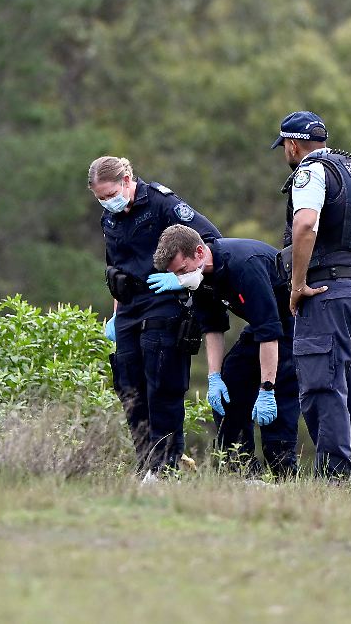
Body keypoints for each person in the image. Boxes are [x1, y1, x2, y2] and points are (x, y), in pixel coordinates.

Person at [271, 111, 351, 481]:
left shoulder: (310, 171)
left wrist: (298, 285)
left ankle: (334, 477)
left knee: (323, 386)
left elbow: (305, 224)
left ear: (291, 144)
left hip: (326, 293)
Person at [90, 156, 221, 479]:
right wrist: (116, 317)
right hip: (130, 307)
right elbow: (115, 273)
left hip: (164, 300)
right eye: (101, 198)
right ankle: (147, 464)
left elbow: (209, 241)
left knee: (161, 384)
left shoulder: (162, 204)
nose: (108, 202)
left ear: (127, 179)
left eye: (111, 194)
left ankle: (165, 467)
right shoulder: (110, 220)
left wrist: (182, 279)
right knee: (129, 387)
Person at [148, 224, 299, 477]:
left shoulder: (244, 266)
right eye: (176, 276)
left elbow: (269, 332)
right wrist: (214, 377)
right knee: (231, 384)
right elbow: (213, 328)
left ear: (199, 252)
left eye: (183, 271)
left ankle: (284, 477)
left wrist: (267, 389)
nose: (182, 279)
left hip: (292, 328)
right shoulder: (201, 279)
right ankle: (242, 473)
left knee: (277, 411)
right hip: (261, 330)